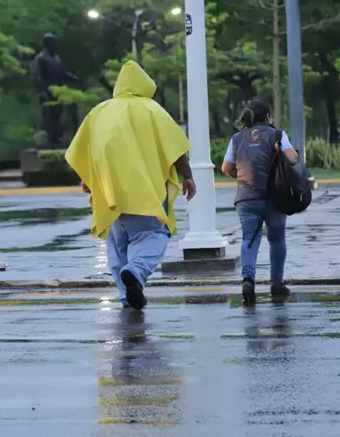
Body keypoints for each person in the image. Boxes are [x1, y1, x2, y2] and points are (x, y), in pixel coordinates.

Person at [66, 61, 195, 311]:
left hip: (108, 190)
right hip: (144, 190)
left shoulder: (99, 112)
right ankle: (136, 272)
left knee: (118, 244)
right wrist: (188, 176)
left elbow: (82, 151)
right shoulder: (152, 110)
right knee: (153, 234)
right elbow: (176, 150)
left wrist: (87, 178)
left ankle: (126, 296)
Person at [220, 99, 298, 306]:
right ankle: (277, 284)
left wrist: (241, 178)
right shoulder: (277, 134)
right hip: (274, 197)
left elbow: (226, 168)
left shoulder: (236, 138)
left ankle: (248, 280)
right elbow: (292, 158)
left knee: (249, 239)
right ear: (269, 117)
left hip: (246, 198)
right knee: (277, 239)